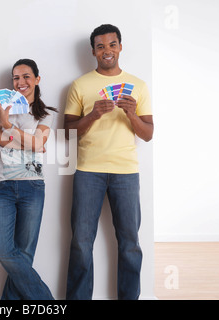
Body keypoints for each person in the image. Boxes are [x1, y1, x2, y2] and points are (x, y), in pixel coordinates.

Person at [64, 24, 153, 300]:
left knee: (129, 244)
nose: (107, 51)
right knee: (80, 243)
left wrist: (132, 115)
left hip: (126, 172)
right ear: (93, 51)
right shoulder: (80, 85)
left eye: (112, 44)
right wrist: (91, 116)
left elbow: (148, 134)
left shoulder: (138, 86)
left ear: (120, 47)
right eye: (101, 46)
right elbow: (67, 130)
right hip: (88, 171)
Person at [0, 59, 57, 299]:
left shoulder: (46, 114)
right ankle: (46, 300)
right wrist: (31, 142)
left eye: (26, 76)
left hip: (32, 187)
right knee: (2, 251)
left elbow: (37, 144)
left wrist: (7, 125)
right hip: (0, 187)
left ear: (37, 79)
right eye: (16, 78)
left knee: (25, 254)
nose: (20, 82)